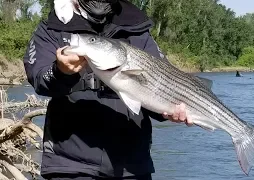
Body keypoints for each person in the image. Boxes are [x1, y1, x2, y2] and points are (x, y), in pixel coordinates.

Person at [23, 0, 193, 179]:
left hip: (132, 166)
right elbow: (39, 79)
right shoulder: (52, 28)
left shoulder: (138, 30)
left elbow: (163, 87)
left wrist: (171, 110)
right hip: (71, 164)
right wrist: (61, 71)